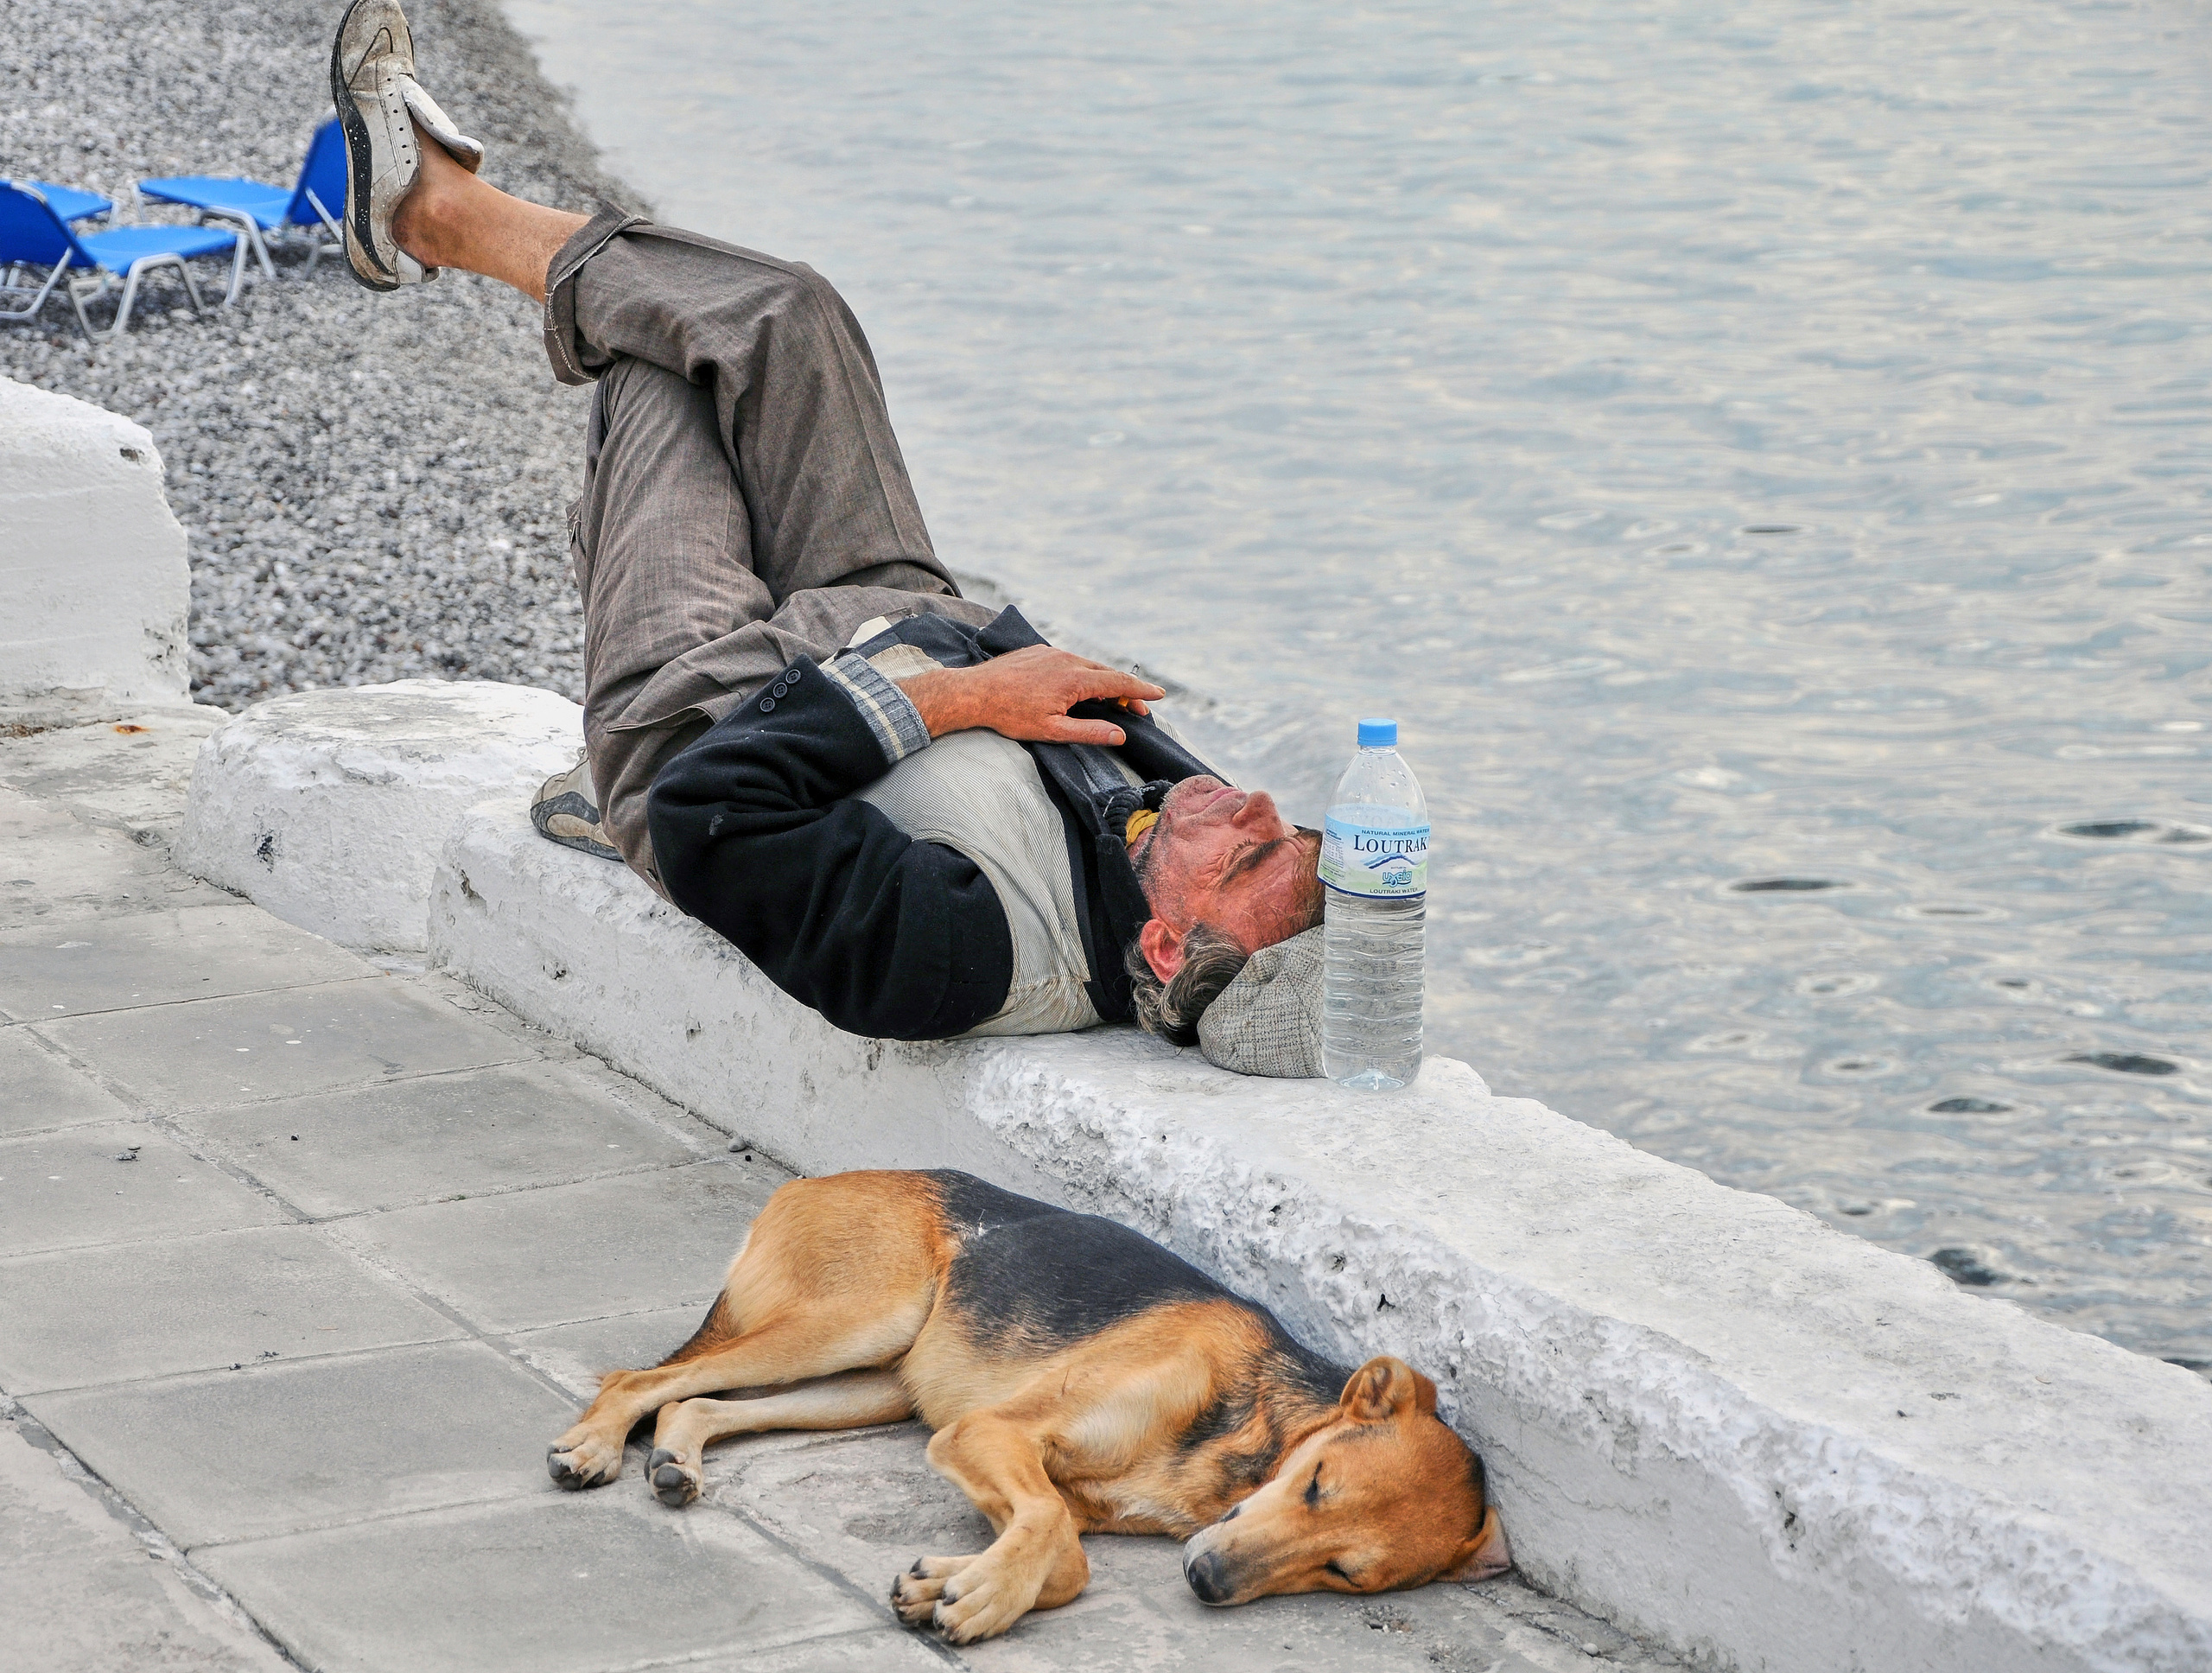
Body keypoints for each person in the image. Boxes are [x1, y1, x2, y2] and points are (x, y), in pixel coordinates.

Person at [332, 0, 1324, 1053]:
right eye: (1291, 829)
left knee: (668, 359)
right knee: (790, 313)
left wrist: (972, 695)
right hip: (890, 611)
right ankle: (438, 214)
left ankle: (434, 214)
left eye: (1252, 856)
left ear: (1167, 950)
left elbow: (711, 811)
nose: (1258, 806)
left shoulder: (959, 955)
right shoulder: (1163, 835)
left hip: (699, 706)